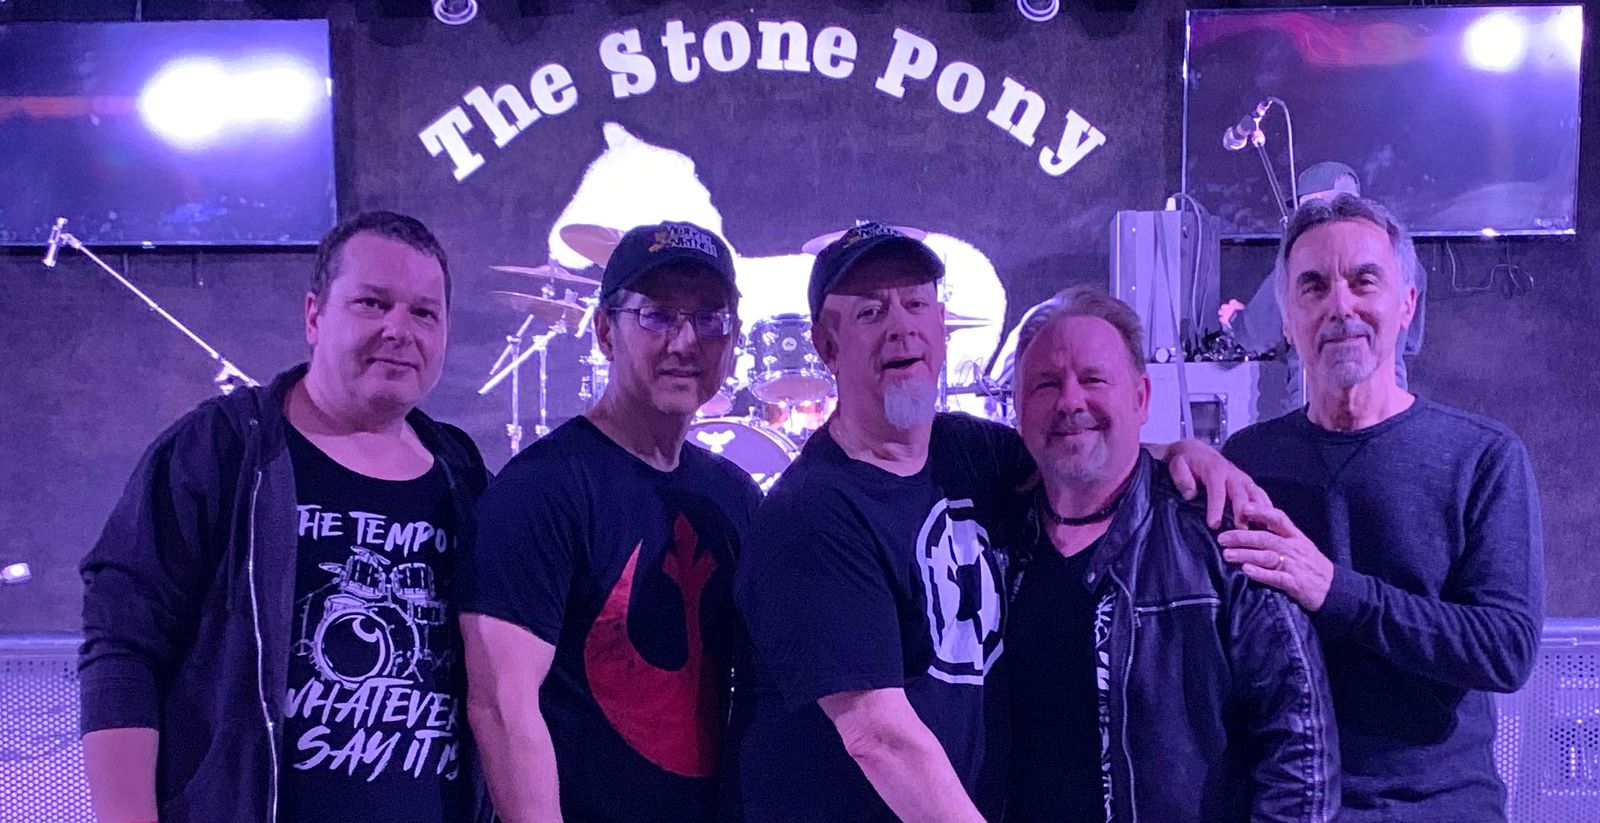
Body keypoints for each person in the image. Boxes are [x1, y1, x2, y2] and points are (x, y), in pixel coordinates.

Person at [728, 223, 1266, 822]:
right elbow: (879, 738)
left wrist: (1183, 454)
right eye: (870, 312)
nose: (901, 326)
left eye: (916, 303)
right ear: (827, 346)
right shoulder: (809, 517)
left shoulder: (971, 453)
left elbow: (1084, 453)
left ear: (942, 328)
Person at [79, 211, 492, 823]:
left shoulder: (461, 473)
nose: (399, 330)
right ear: (314, 316)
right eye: (372, 303)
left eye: (424, 313)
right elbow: (123, 649)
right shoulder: (223, 449)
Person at [1219, 194, 1544, 821]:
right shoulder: (1249, 458)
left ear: (1406, 304)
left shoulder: (1483, 457)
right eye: (1314, 286)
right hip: (1289, 803)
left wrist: (1333, 590)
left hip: (1437, 808)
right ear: (1288, 320)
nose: (1340, 306)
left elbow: (1505, 648)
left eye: (1363, 281)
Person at [458, 221, 760, 822]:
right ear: (604, 332)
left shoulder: (735, 497)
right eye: (657, 315)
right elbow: (501, 707)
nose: (685, 341)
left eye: (710, 318)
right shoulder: (540, 491)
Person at [1005, 285, 1338, 823]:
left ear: (1141, 398)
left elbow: (1300, 746)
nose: (1070, 401)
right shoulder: (989, 538)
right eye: (1046, 383)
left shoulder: (1221, 533)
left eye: (1093, 379)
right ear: (1018, 407)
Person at [1219, 162, 1426, 406]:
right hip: (1389, 408)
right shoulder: (1405, 262)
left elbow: (1255, 334)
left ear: (1319, 203)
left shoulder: (1308, 263)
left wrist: (1235, 320)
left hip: (1319, 410)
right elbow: (1411, 344)